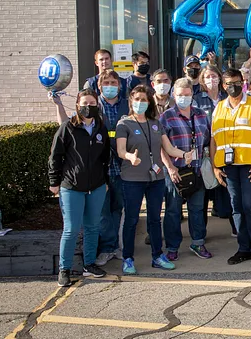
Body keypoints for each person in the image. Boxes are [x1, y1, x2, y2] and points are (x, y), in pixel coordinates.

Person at [116, 85, 194, 274]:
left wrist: (184, 154)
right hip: (132, 179)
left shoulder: (155, 123)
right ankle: (128, 258)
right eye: (137, 99)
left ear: (149, 102)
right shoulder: (124, 124)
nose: (140, 103)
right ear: (131, 102)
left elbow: (168, 149)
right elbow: (120, 151)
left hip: (156, 178)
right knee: (132, 220)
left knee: (154, 219)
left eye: (144, 100)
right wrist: (130, 157)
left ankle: (157, 256)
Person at [211, 69, 251, 268]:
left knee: (250, 206)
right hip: (229, 168)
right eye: (229, 83)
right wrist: (214, 165)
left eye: (237, 82)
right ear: (223, 85)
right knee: (236, 208)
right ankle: (243, 249)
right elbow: (213, 139)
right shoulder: (219, 107)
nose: (233, 86)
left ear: (243, 82)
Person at [49, 89, 110, 287]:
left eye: (92, 103)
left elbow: (105, 158)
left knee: (93, 227)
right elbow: (55, 156)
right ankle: (64, 269)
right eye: (85, 103)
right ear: (77, 105)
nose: (88, 107)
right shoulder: (68, 127)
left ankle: (89, 264)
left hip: (97, 187)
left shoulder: (101, 127)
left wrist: (105, 181)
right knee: (71, 229)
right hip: (71, 186)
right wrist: (54, 182)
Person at [160, 78, 212, 261]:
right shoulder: (166, 116)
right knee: (173, 210)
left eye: (187, 94)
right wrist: (170, 167)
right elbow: (161, 146)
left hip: (196, 170)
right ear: (174, 95)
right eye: (180, 95)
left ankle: (198, 242)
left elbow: (208, 141)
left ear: (192, 95)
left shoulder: (201, 115)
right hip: (175, 171)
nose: (184, 98)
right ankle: (172, 247)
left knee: (197, 209)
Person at [93, 70, 130, 267]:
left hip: (122, 167)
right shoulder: (94, 106)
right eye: (106, 82)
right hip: (101, 169)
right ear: (99, 86)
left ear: (119, 85)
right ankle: (106, 248)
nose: (110, 85)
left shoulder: (127, 105)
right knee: (102, 210)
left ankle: (116, 247)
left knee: (118, 208)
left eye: (113, 82)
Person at [193, 65, 235, 234]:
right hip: (204, 151)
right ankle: (201, 233)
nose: (211, 79)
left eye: (214, 76)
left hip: (227, 148)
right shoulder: (197, 99)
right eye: (208, 76)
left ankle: (236, 228)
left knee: (229, 190)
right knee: (202, 195)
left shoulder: (228, 97)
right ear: (202, 80)